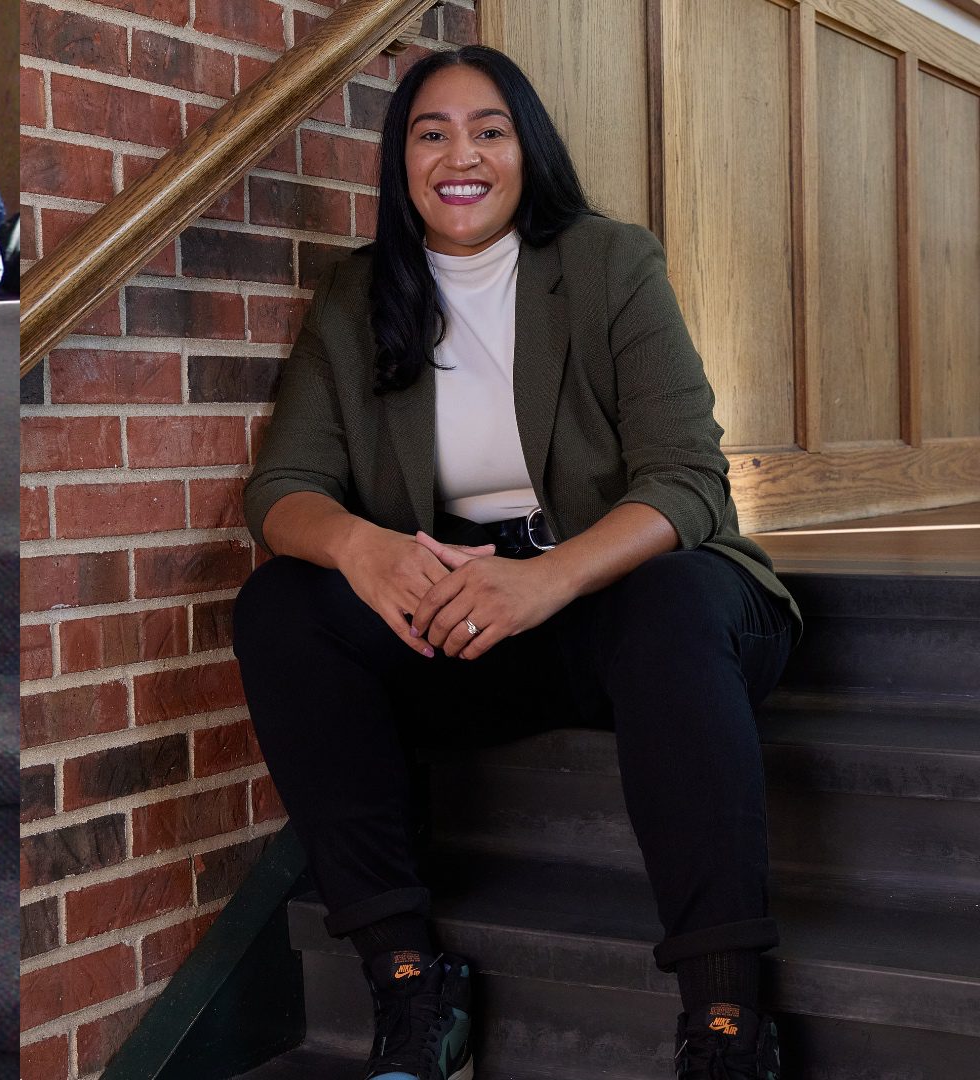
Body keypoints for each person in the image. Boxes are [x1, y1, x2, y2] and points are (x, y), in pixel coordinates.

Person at [231, 46, 797, 1080]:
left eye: (489, 129)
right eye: (431, 132)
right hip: (471, 614)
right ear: (400, 161)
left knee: (671, 599)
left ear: (526, 149)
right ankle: (410, 986)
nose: (462, 155)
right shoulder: (357, 300)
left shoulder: (608, 264)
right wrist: (362, 548)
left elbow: (688, 482)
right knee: (282, 609)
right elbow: (281, 491)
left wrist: (549, 577)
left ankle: (728, 1022)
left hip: (628, 593)